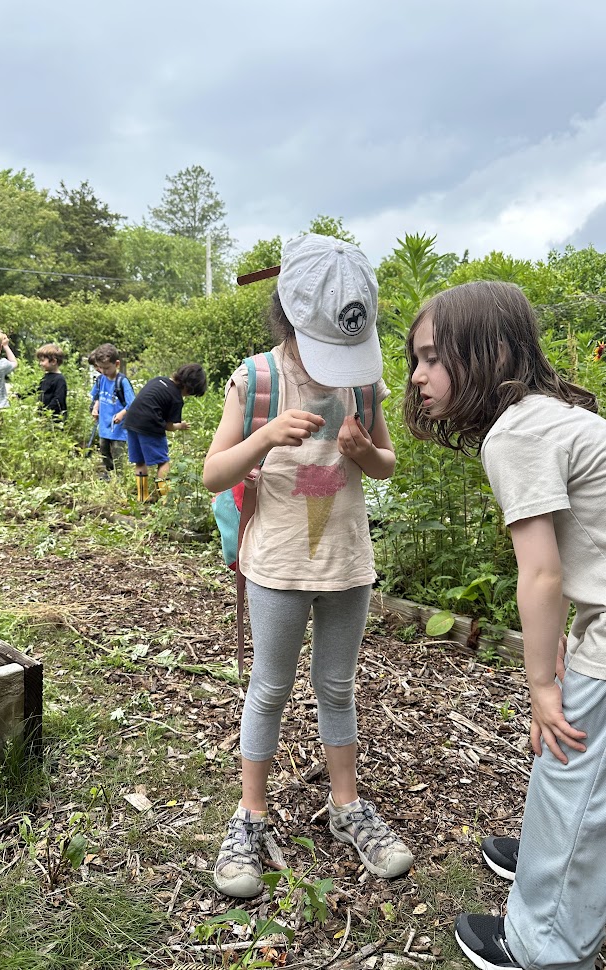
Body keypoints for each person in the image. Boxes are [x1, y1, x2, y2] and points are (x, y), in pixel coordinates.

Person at [404, 280, 606, 970]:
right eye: (414, 359)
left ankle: (542, 948)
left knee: (579, 773)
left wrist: (541, 683)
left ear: (490, 352)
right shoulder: (543, 416)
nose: (417, 376)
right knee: (579, 767)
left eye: (431, 358)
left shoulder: (516, 434)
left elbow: (541, 574)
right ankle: (547, 853)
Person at [203, 233, 412, 900]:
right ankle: (250, 814)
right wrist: (263, 436)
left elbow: (386, 462)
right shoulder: (257, 379)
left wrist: (361, 450)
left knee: (337, 685)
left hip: (347, 562)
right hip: (278, 565)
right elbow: (214, 474)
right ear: (290, 315)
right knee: (269, 687)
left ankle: (347, 805)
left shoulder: (364, 383)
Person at [124, 363, 207, 502]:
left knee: (140, 461)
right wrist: (180, 426)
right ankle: (166, 500)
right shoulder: (176, 398)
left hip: (132, 421)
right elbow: (169, 426)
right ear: (189, 387)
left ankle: (142, 497)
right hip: (150, 426)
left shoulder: (158, 380)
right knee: (163, 462)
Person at [89, 343, 135, 473]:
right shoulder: (100, 379)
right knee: (104, 450)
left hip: (119, 428)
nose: (103, 371)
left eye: (107, 368)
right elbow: (97, 396)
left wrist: (121, 414)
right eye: (100, 367)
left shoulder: (122, 382)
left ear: (117, 364)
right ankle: (109, 474)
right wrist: (95, 408)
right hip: (104, 426)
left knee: (117, 453)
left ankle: (120, 477)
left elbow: (132, 403)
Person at [36, 343, 68, 420]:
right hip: (44, 416)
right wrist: (20, 395)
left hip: (55, 418)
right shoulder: (46, 376)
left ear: (53, 361)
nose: (40, 363)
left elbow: (58, 400)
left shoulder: (60, 379)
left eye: (43, 361)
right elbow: (36, 388)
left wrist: (47, 413)